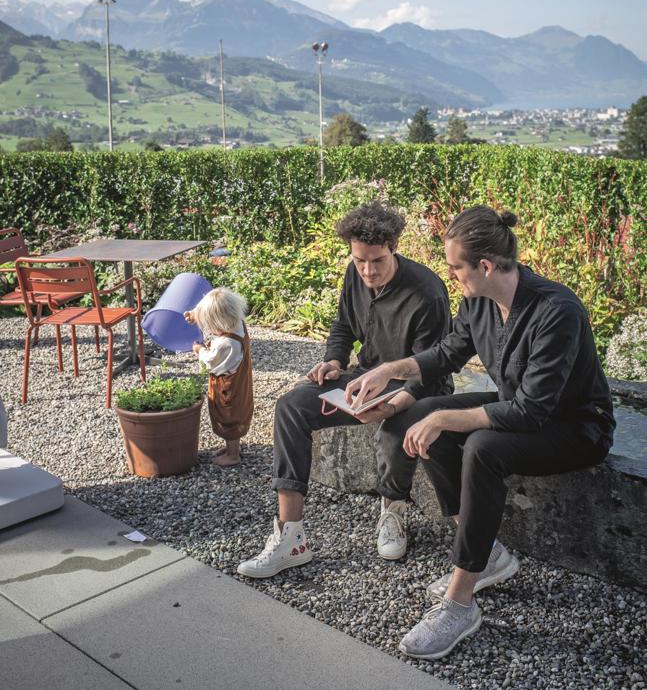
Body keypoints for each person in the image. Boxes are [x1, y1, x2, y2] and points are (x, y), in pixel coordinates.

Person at [346, 205, 615, 661]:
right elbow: (444, 355)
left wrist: (448, 420)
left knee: (482, 445)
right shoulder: (478, 303)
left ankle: (460, 602)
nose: (450, 275)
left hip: (574, 428)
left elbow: (531, 412)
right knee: (424, 411)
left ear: (485, 266)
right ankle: (486, 553)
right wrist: (389, 370)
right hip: (520, 410)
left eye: (455, 267)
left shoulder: (557, 311)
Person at [236, 201, 453, 579]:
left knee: (396, 428)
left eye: (377, 261)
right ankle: (291, 536)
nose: (368, 270)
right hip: (365, 378)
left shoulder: (427, 293)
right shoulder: (355, 276)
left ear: (394, 247)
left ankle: (393, 512)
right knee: (291, 407)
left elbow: (434, 369)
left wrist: (394, 403)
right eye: (359, 261)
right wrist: (333, 361)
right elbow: (342, 328)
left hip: (418, 387)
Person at [184, 287, 253, 467]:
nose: (208, 328)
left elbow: (211, 360)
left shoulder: (226, 344)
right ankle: (231, 448)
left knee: (229, 417)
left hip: (228, 388)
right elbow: (216, 306)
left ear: (220, 322)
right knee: (232, 415)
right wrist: (195, 314)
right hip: (240, 382)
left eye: (209, 324)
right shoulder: (237, 323)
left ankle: (233, 454)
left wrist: (199, 350)